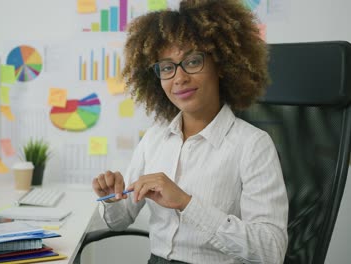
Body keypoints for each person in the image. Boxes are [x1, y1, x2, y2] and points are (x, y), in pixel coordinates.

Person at [91, 0, 289, 263]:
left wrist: (186, 203)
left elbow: (271, 250)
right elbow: (120, 221)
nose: (179, 78)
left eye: (193, 61)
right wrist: (111, 199)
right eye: (167, 67)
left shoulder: (253, 145)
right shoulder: (155, 138)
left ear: (221, 65)